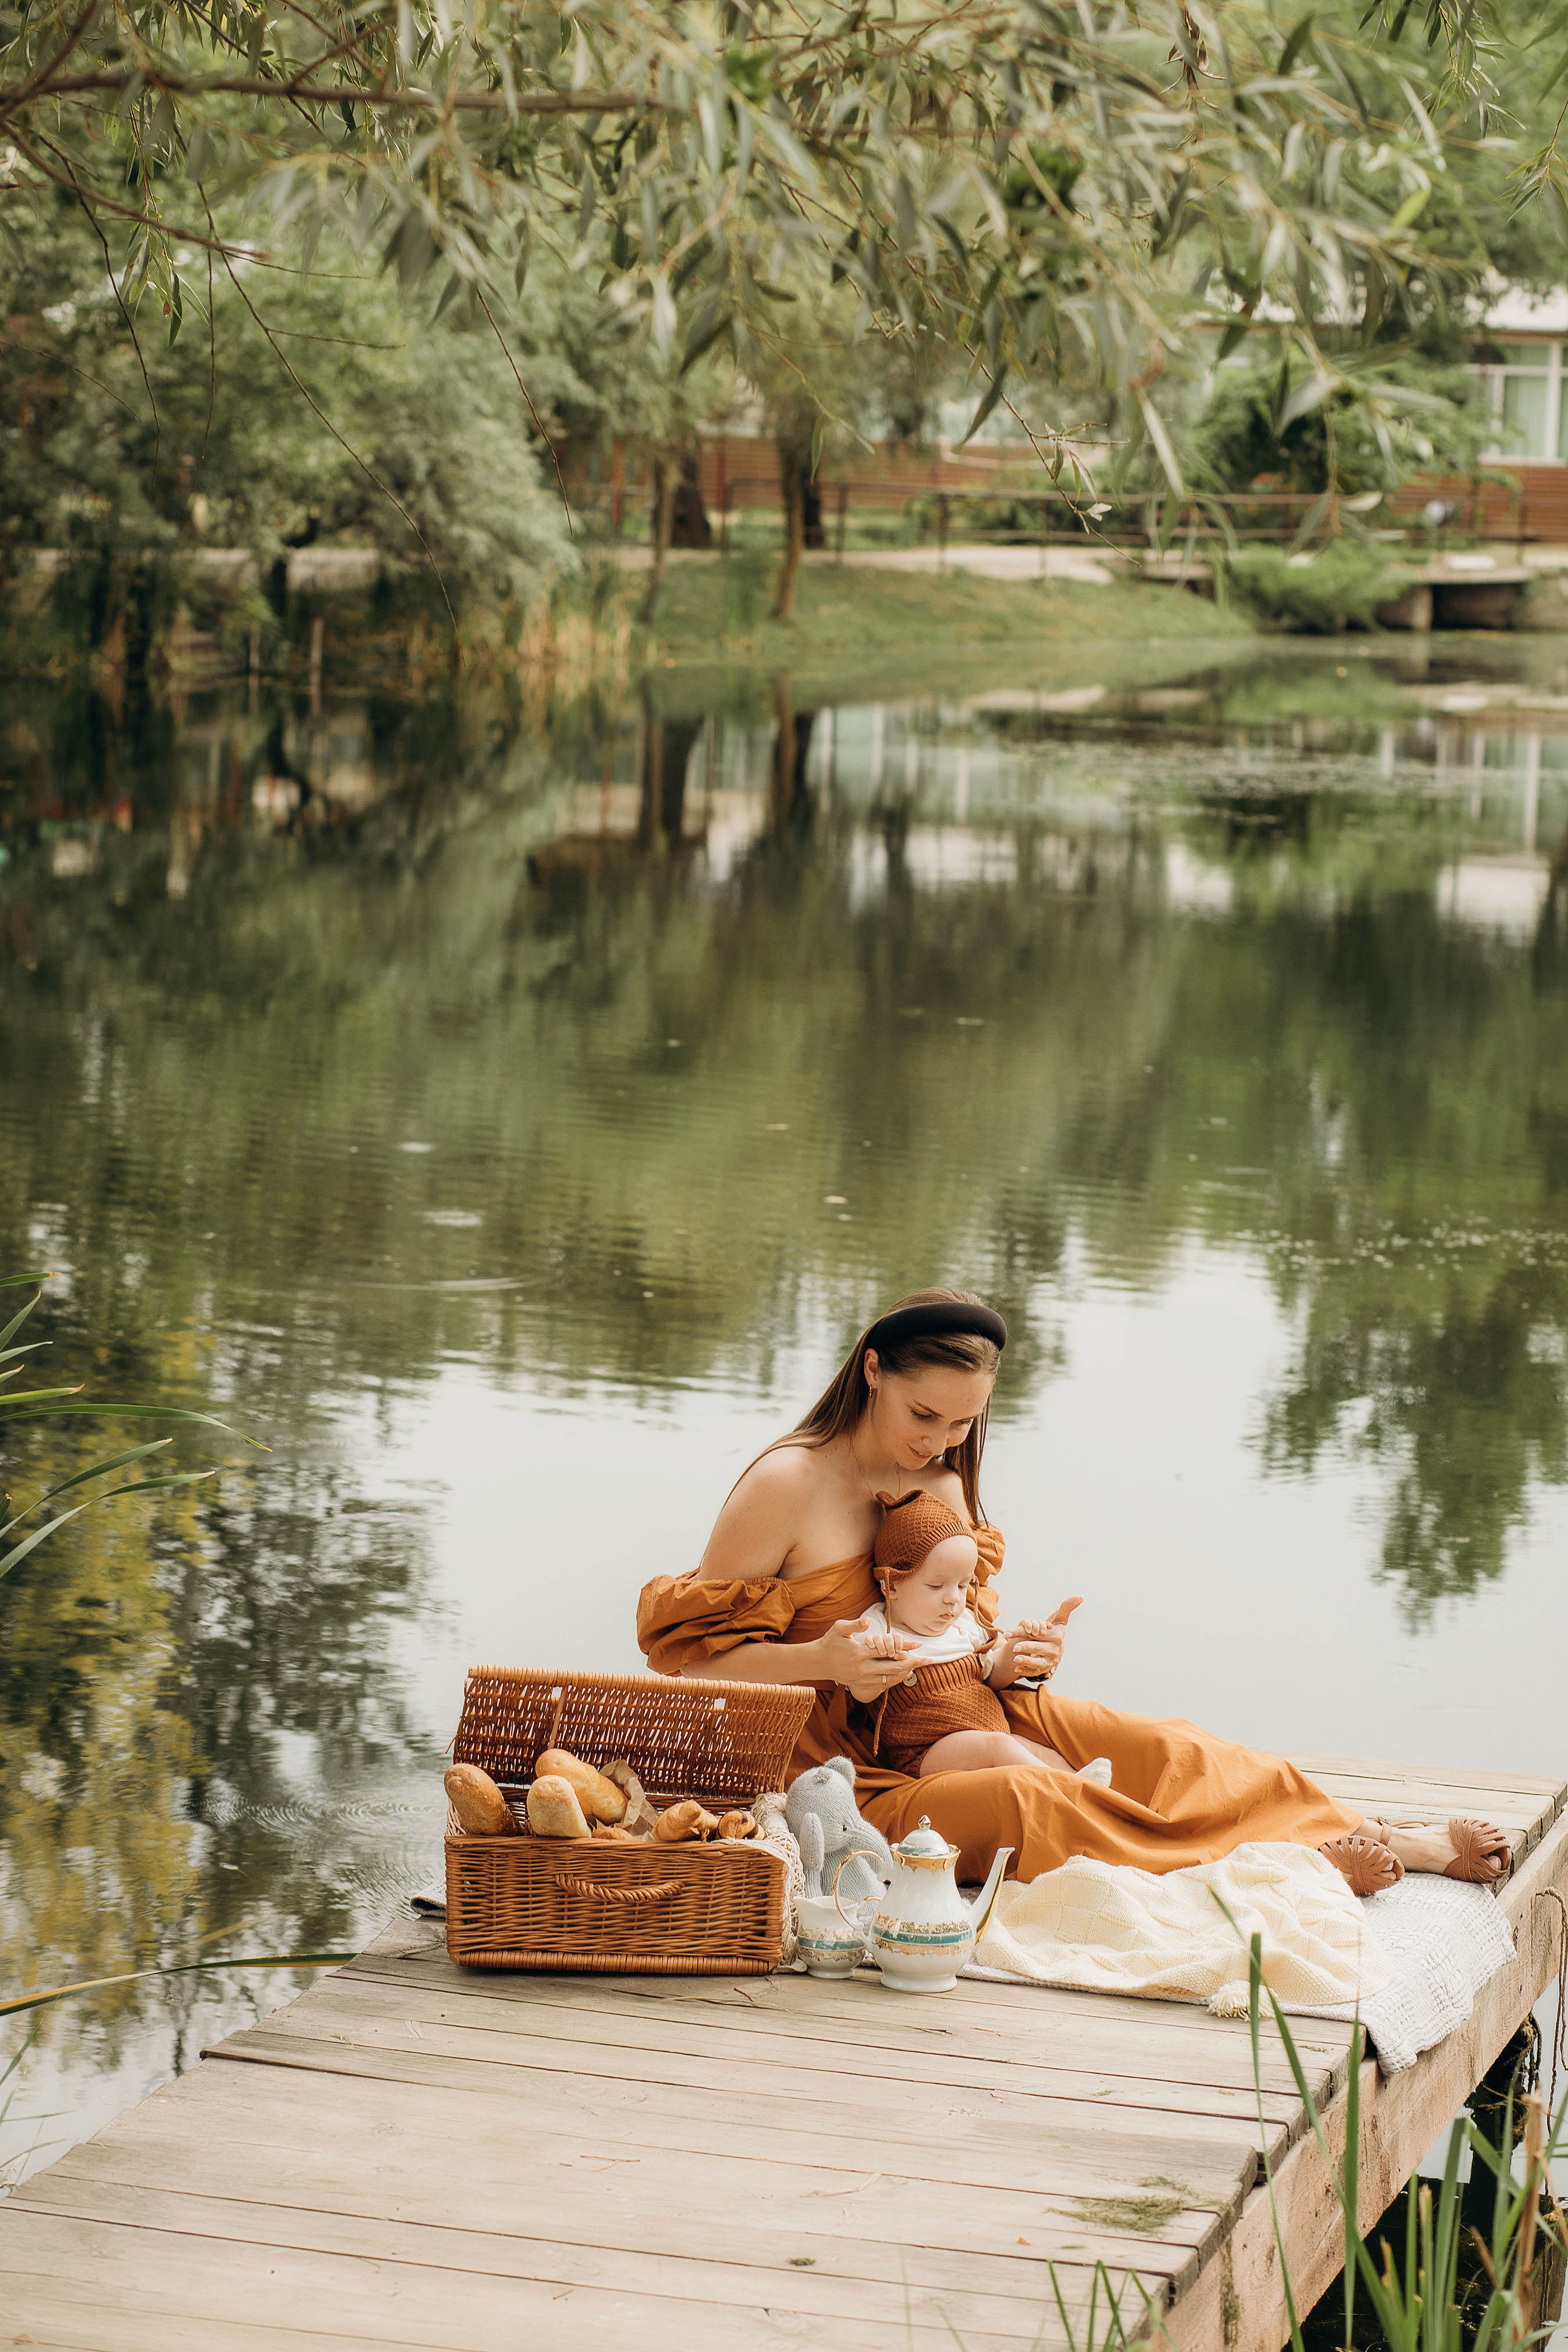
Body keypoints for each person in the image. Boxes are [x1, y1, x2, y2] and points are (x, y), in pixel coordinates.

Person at [636, 1286, 1512, 1895]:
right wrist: (820, 1660)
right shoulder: (785, 1486)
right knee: (1034, 1798)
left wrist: (1008, 1662)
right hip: (843, 1773)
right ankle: (1288, 1865)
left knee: (1172, 1747)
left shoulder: (942, 1487)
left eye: (965, 1421)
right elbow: (692, 1671)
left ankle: (1386, 1839)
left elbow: (952, 1643)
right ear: (873, 1371)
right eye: (923, 1415)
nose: (939, 1441)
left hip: (963, 1719)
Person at [863, 1486, 1112, 1785]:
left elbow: (993, 1676)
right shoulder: (879, 1629)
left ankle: (1084, 1788)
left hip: (989, 1734)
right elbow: (860, 1691)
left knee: (1040, 1753)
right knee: (1000, 1746)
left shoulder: (965, 1625)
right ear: (891, 1585)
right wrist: (877, 1660)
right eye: (936, 1586)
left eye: (962, 1585)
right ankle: (1072, 1790)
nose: (953, 1599)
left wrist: (1017, 1649)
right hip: (927, 1751)